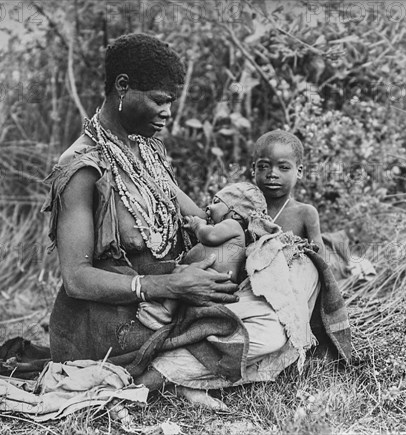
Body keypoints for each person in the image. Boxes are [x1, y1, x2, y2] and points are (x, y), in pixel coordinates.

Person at [42, 33, 240, 405]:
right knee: (251, 334)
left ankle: (176, 368)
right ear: (122, 86)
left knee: (247, 270)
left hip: (167, 304)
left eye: (170, 102)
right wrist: (165, 288)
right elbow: (76, 279)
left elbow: (195, 216)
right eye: (159, 101)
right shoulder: (81, 167)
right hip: (110, 323)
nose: (168, 113)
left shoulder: (146, 150)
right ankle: (166, 378)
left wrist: (241, 214)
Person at [137, 182, 288, 362]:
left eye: (216, 202)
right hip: (216, 281)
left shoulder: (232, 225)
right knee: (182, 272)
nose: (209, 206)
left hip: (217, 279)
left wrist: (197, 225)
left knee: (182, 272)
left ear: (235, 212)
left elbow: (209, 236)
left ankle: (164, 313)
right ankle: (169, 315)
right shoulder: (229, 228)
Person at [251, 129, 327, 261]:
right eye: (263, 166)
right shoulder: (245, 209)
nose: (272, 174)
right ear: (254, 169)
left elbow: (322, 264)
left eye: (284, 167)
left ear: (299, 171)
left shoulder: (305, 213)